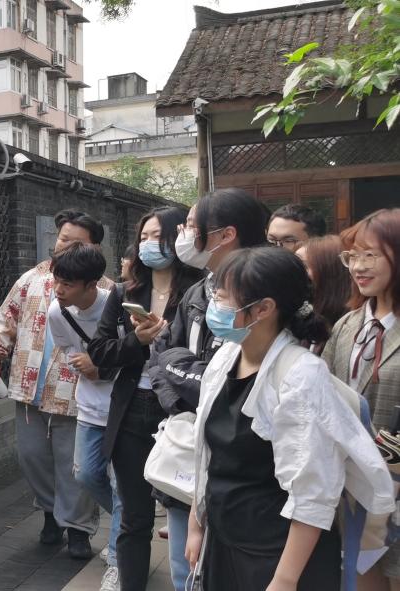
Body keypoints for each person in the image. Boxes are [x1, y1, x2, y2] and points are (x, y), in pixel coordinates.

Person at [184, 247, 392, 590]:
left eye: (222, 297)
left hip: (277, 554)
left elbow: (313, 492)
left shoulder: (301, 376)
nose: (213, 305)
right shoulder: (226, 358)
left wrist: (284, 580)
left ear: (263, 309)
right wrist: (197, 523)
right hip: (225, 537)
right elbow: (207, 456)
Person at [150, 188, 270, 590]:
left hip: (244, 470)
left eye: (190, 226)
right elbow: (162, 357)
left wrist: (192, 382)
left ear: (225, 234)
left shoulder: (267, 291)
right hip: (190, 451)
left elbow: (239, 388)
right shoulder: (197, 292)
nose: (183, 235)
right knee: (184, 570)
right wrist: (179, 404)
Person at [0, 209, 113, 560]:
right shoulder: (32, 279)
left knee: (73, 466)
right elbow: (5, 321)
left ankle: (79, 528)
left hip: (75, 395)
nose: (65, 246)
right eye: (63, 239)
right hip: (29, 388)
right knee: (32, 458)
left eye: (76, 242)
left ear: (94, 249)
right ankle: (51, 514)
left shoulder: (107, 291)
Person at [87, 207, 203, 591]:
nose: (149, 244)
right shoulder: (125, 293)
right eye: (144, 237)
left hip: (181, 413)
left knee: (185, 514)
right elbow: (100, 351)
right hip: (133, 410)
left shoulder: (199, 293)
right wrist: (137, 341)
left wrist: (167, 341)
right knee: (134, 518)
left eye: (159, 236)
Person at [322, 208, 400, 589]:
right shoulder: (347, 324)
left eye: (371, 255)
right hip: (354, 490)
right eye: (352, 256)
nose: (358, 266)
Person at [45, 242, 121, 589]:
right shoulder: (57, 313)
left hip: (124, 407)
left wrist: (101, 367)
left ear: (92, 284)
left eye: (67, 284)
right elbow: (67, 350)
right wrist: (84, 368)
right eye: (56, 281)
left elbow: (140, 356)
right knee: (87, 475)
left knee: (121, 485)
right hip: (89, 406)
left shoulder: (116, 308)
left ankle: (118, 560)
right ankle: (131, 520)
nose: (58, 290)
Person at [300, 235, 360, 353]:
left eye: (303, 265)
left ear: (329, 272)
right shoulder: (303, 322)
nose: (294, 272)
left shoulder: (350, 329)